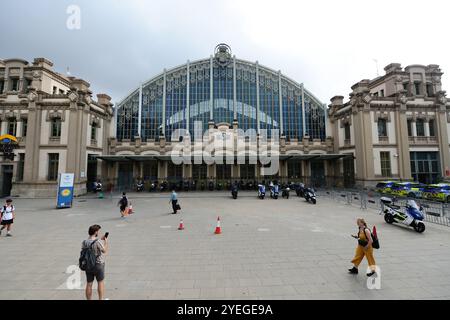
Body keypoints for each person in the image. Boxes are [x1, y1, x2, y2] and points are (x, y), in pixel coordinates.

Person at [81, 225, 108, 300]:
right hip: (98, 264)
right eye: (98, 231)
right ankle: (101, 299)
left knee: (89, 283)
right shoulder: (97, 242)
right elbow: (104, 250)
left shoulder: (84, 242)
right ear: (96, 232)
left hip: (88, 265)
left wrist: (99, 240)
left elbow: (86, 249)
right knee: (100, 282)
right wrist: (105, 242)